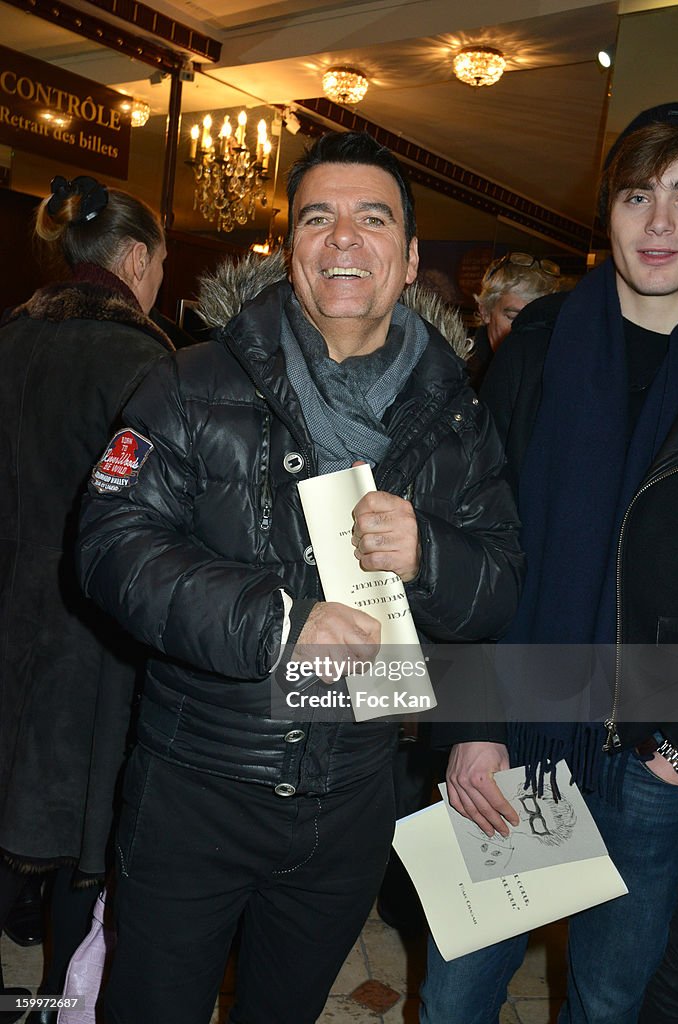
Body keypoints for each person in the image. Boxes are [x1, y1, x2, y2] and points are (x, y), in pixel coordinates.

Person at [77, 130, 524, 1024]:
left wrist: (430, 553)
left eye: (372, 219)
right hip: (195, 786)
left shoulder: (455, 414)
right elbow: (109, 545)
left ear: (405, 262)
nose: (344, 238)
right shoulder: (191, 383)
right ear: (289, 254)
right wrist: (276, 621)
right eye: (318, 218)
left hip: (351, 802)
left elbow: (501, 582)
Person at [420, 101, 678, 1024]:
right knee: (456, 999)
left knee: (607, 1002)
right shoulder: (536, 344)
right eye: (638, 194)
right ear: (604, 211)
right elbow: (474, 545)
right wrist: (474, 722)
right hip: (522, 730)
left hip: (657, 746)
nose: (662, 223)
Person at [0, 175, 173, 1024]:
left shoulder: (3, 341)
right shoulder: (146, 362)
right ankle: (47, 1008)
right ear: (136, 258)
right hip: (95, 649)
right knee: (85, 849)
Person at [468, 251, 560, 387]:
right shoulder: (457, 373)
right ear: (485, 312)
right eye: (513, 317)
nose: (525, 331)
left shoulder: (552, 373)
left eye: (535, 321)